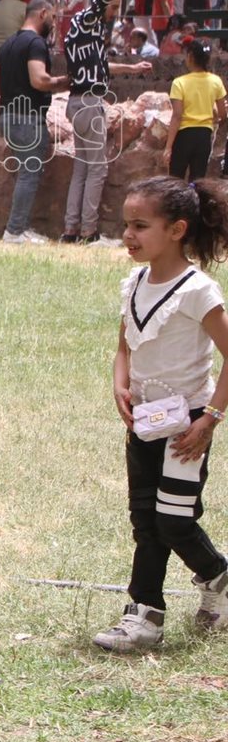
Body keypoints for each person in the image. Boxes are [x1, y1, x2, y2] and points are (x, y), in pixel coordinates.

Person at [97, 176, 228, 651]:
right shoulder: (133, 282)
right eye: (125, 224)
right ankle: (144, 617)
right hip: (145, 421)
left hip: (187, 425)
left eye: (140, 225)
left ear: (176, 229)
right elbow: (124, 344)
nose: (128, 235)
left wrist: (209, 418)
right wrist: (120, 382)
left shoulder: (198, 291)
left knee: (173, 520)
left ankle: (217, 574)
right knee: (145, 521)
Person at [64, 0, 150, 245]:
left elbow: (101, 66)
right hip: (89, 104)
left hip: (77, 103)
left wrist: (131, 69)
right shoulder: (86, 21)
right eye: (112, 7)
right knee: (96, 170)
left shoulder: (83, 34)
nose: (113, 12)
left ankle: (71, 229)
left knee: (81, 169)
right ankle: (88, 232)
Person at [0, 0, 67, 244]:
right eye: (54, 17)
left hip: (8, 116)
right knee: (29, 174)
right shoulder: (35, 43)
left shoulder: (6, 45)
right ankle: (14, 231)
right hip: (28, 118)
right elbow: (39, 80)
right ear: (42, 13)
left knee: (26, 172)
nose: (55, 23)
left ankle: (19, 227)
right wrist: (67, 81)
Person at [166, 43, 226, 182]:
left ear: (190, 57)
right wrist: (215, 121)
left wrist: (168, 147)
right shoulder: (216, 81)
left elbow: (177, 116)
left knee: (175, 179)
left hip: (184, 135)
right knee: (198, 181)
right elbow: (222, 114)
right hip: (204, 136)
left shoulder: (179, 82)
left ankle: (176, 205)